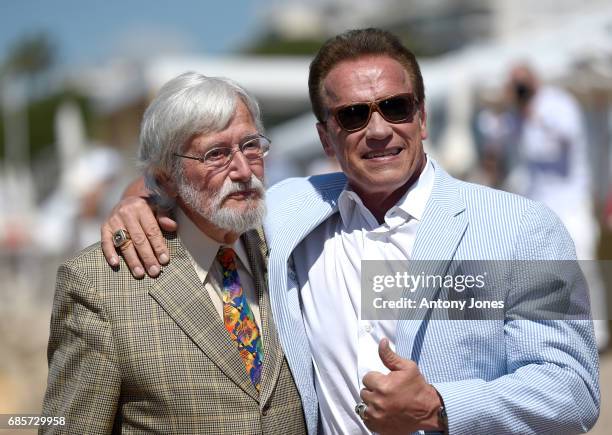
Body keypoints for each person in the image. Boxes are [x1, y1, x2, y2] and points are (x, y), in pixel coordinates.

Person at [100, 29, 600, 434]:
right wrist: (136, 202)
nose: (379, 130)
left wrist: (440, 405)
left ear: (422, 117)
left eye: (396, 107)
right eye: (354, 115)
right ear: (326, 136)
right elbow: (188, 182)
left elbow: (573, 387)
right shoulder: (289, 211)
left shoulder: (521, 229)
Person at [41, 73, 307, 434]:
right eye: (216, 154)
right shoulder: (100, 285)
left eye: (250, 145)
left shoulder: (293, 245)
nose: (244, 170)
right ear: (165, 177)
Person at [503, 63, 609, 351]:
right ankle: (562, 339)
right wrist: (516, 108)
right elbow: (506, 146)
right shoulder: (516, 114)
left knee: (584, 269)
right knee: (546, 276)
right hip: (540, 206)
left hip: (571, 201)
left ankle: (597, 337)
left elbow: (568, 137)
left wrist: (536, 114)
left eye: (523, 83)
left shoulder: (558, 104)